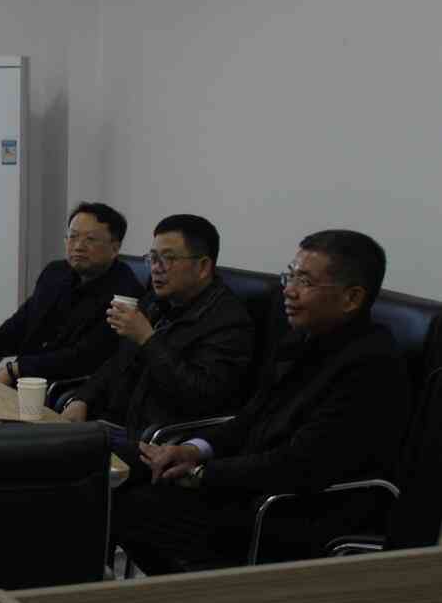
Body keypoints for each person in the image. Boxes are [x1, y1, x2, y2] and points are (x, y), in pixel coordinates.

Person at [113, 230, 410, 571]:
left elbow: (300, 463)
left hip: (296, 508)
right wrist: (192, 450)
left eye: (305, 281)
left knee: (132, 506)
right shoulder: (302, 338)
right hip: (250, 483)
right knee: (112, 470)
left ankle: (202, 595)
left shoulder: (370, 366)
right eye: (290, 275)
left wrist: (203, 474)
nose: (289, 290)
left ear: (351, 298)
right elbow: (250, 418)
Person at [62, 214, 254, 470]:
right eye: (152, 258)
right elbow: (118, 362)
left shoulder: (229, 323)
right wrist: (82, 398)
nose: (156, 268)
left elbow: (199, 396)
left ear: (203, 266)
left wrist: (147, 338)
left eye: (168, 258)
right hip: (113, 427)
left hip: (156, 445)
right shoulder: (155, 302)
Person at [0, 202, 143, 386]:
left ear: (114, 248)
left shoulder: (125, 293)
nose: (78, 246)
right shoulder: (55, 273)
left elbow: (86, 356)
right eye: (73, 236)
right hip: (27, 377)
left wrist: (16, 370)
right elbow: (19, 325)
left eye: (90, 239)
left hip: (70, 386)